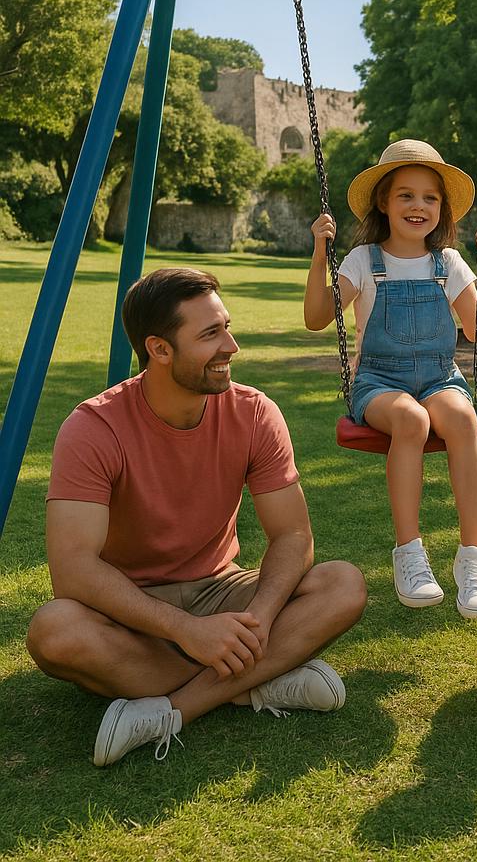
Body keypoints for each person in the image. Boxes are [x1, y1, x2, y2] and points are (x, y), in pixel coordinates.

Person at [26, 268, 367, 767]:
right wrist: (186, 631)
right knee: (54, 631)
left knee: (344, 584)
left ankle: (176, 710)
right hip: (132, 608)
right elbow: (73, 569)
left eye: (225, 327)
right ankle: (256, 684)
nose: (231, 345)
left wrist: (261, 623)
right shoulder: (92, 427)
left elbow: (293, 535)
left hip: (223, 592)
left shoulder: (254, 412)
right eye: (210, 334)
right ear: (160, 350)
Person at [304, 138, 477, 619]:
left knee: (460, 415)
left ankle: (471, 559)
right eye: (406, 195)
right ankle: (409, 555)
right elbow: (315, 318)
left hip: (440, 378)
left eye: (430, 197)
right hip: (377, 382)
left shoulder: (449, 263)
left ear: (442, 208)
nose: (418, 206)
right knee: (410, 421)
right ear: (384, 203)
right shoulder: (362, 261)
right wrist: (319, 251)